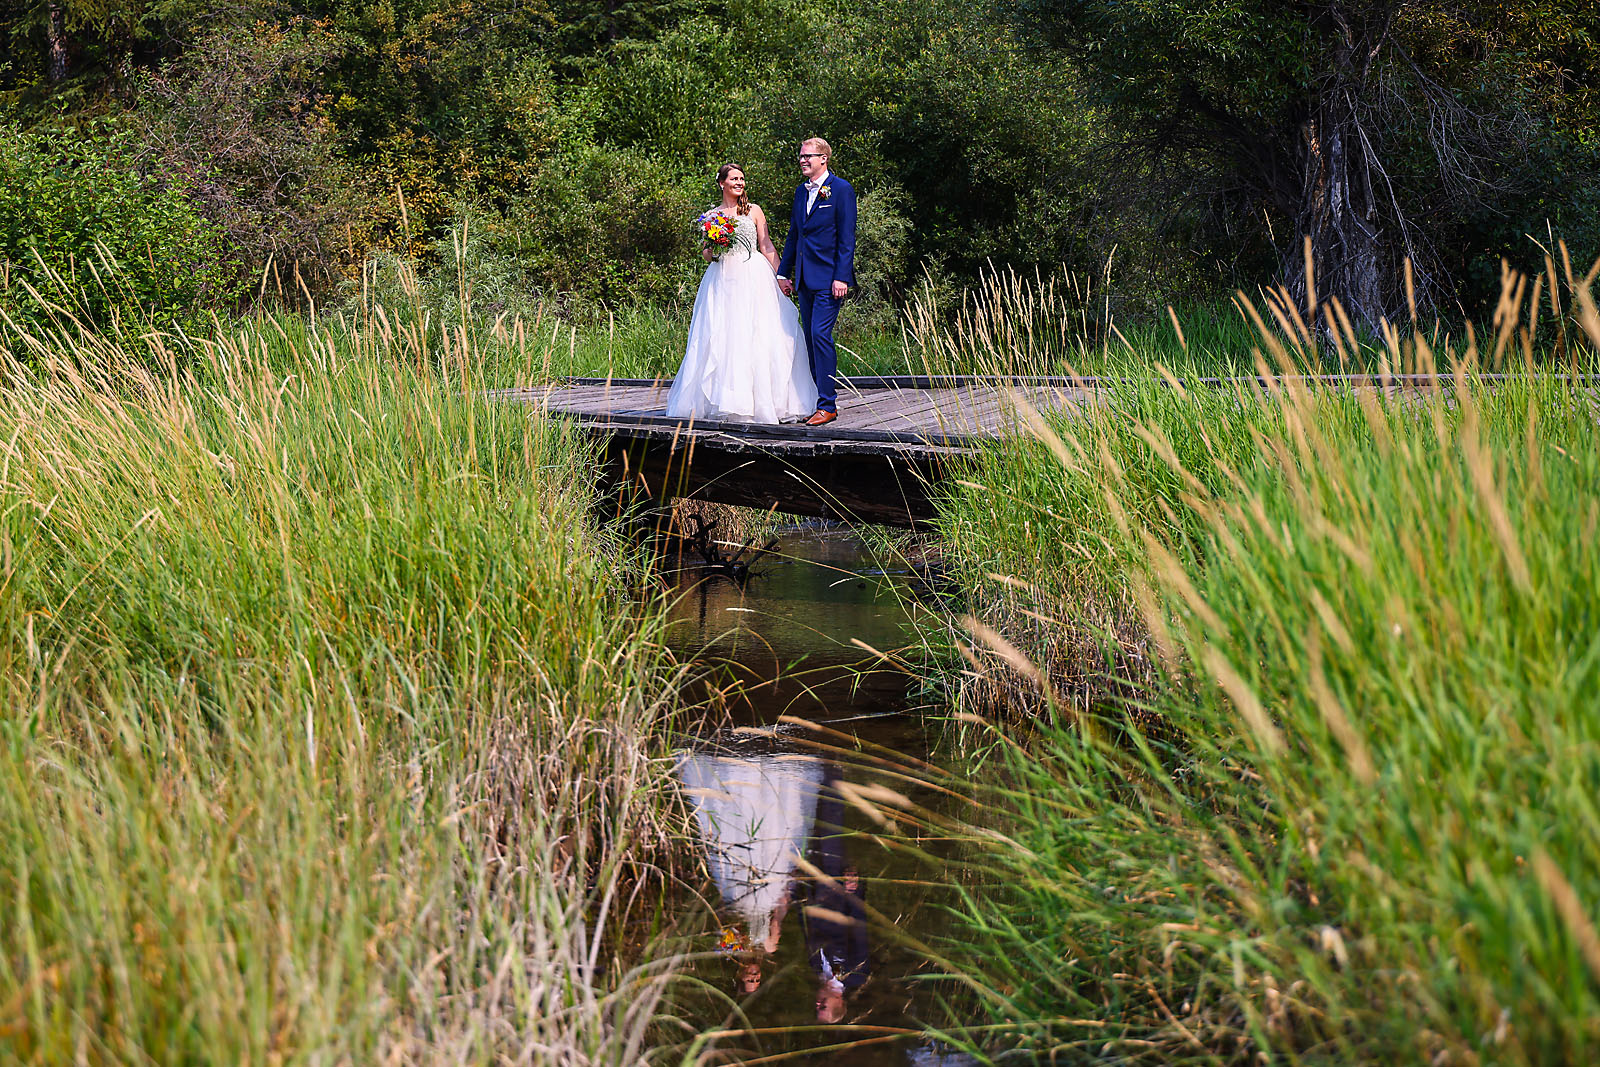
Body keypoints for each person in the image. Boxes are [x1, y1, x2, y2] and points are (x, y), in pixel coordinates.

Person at [664, 164, 817, 424]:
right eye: (734, 178)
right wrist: (714, 244)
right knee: (723, 336)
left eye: (742, 179)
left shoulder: (753, 210)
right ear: (722, 183)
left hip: (753, 276)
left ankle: (766, 403)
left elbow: (766, 245)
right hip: (722, 278)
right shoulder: (711, 215)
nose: (740, 182)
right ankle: (729, 401)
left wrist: (781, 276)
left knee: (759, 334)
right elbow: (706, 254)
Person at [676, 749, 825, 993]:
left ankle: (737, 773)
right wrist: (788, 883)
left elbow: (722, 915)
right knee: (773, 831)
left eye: (749, 979)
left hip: (737, 888)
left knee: (740, 834)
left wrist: (735, 933)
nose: (754, 976)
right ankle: (774, 771)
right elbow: (779, 913)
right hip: (770, 884)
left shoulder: (727, 948)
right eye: (756, 980)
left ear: (739, 974)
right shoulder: (769, 946)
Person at [775, 138, 857, 427]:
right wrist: (784, 273)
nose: (802, 160)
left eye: (808, 156)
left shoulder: (842, 190)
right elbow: (794, 235)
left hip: (830, 279)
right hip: (804, 280)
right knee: (810, 339)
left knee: (821, 336)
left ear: (824, 158)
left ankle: (828, 405)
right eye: (800, 156)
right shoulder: (801, 192)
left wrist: (841, 276)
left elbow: (847, 238)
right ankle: (815, 400)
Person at [801, 763, 869, 1022]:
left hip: (814, 888)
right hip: (839, 891)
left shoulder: (815, 968)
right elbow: (859, 929)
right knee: (830, 828)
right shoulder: (856, 974)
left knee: (810, 831)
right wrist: (855, 891)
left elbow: (806, 926)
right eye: (823, 1007)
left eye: (815, 1007)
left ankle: (809, 771)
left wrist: (798, 894)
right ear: (838, 1002)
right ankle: (834, 767)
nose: (818, 1002)